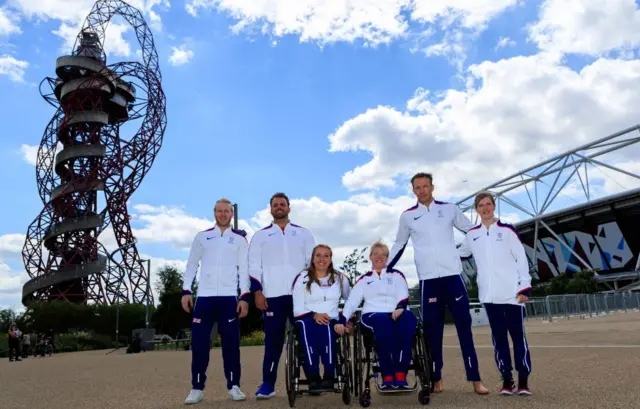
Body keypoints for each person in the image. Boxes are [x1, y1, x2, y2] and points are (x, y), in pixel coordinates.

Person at [387, 172, 489, 394]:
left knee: (465, 330)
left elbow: (473, 231)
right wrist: (384, 268)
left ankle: (476, 380)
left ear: (432, 187)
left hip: (453, 279)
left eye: (425, 186)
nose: (422, 190)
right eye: (417, 187)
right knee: (433, 333)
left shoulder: (449, 209)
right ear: (413, 190)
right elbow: (399, 244)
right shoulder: (407, 216)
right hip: (428, 281)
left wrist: (460, 254)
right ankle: (436, 378)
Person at [457, 191, 532, 396]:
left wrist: (524, 285)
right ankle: (507, 381)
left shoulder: (507, 230)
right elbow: (459, 255)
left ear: (494, 206)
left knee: (517, 337)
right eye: (481, 205)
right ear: (476, 209)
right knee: (499, 339)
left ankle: (523, 380)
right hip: (489, 297)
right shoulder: (472, 235)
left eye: (488, 204)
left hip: (512, 294)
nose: (485, 208)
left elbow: (521, 258)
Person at [181, 198, 251, 404]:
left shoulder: (239, 240)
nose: (223, 214)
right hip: (204, 298)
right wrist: (186, 290)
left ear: (232, 214)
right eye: (219, 211)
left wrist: (244, 296)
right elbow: (192, 264)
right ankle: (196, 388)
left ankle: (234, 386)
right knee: (200, 344)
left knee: (231, 345)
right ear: (214, 213)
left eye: (226, 211)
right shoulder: (202, 237)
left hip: (229, 298)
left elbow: (244, 269)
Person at [249, 192, 316, 399]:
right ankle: (268, 385)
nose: (279, 207)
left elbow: (313, 263)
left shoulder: (304, 233)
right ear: (271, 209)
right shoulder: (260, 236)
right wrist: (257, 291)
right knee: (273, 342)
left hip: (300, 296)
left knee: (306, 338)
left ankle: (313, 380)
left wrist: (312, 290)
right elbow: (253, 266)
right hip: (273, 297)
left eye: (283, 204)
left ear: (289, 207)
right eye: (275, 205)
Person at [336, 241, 417, 390]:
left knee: (408, 319)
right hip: (373, 314)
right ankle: (387, 373)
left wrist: (400, 307)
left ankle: (400, 373)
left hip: (396, 311)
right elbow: (352, 302)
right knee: (383, 323)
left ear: (387, 258)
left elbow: (403, 293)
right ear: (370, 257)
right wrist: (342, 320)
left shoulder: (397, 275)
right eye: (376, 254)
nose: (379, 257)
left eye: (383, 254)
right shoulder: (364, 279)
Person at [292, 244, 352, 392]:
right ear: (312, 258)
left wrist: (346, 319)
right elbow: (297, 307)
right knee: (308, 328)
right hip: (305, 317)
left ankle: (329, 374)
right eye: (318, 255)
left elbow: (351, 300)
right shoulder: (302, 278)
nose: (322, 259)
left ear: (331, 259)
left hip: (330, 318)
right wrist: (314, 315)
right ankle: (313, 375)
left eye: (326, 256)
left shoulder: (340, 278)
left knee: (326, 326)